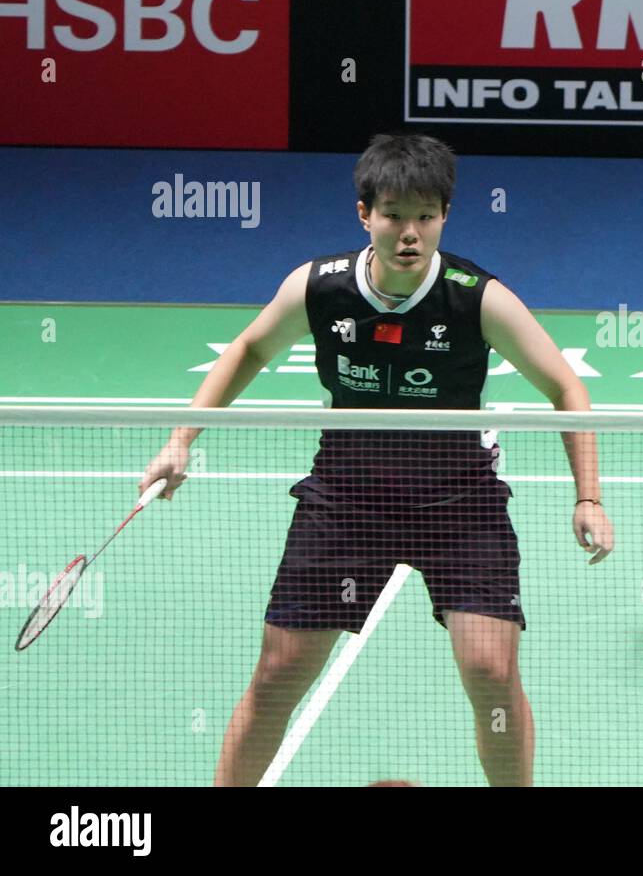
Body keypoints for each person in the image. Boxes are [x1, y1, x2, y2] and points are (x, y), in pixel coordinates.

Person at [141, 133, 614, 785]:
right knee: (277, 674)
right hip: (347, 498)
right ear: (365, 213)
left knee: (492, 671)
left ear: (446, 214)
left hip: (459, 502)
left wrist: (587, 494)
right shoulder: (320, 287)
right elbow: (249, 348)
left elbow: (567, 386)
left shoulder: (475, 296)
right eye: (394, 213)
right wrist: (179, 440)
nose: (410, 232)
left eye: (426, 214)